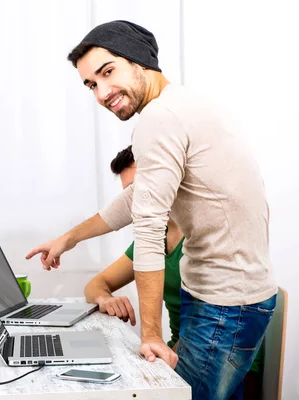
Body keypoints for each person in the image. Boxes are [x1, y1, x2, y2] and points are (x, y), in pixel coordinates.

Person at [25, 20, 277, 400]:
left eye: (108, 72)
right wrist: (69, 239)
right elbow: (139, 197)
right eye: (91, 84)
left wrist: (151, 335)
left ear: (140, 61)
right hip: (223, 297)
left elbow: (147, 227)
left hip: (226, 304)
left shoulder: (160, 118)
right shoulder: (185, 104)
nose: (102, 93)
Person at [86, 146, 264, 399]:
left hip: (219, 355)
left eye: (143, 186)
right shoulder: (153, 239)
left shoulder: (205, 237)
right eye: (130, 193)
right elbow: (96, 284)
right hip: (182, 349)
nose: (141, 197)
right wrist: (105, 298)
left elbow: (214, 321)